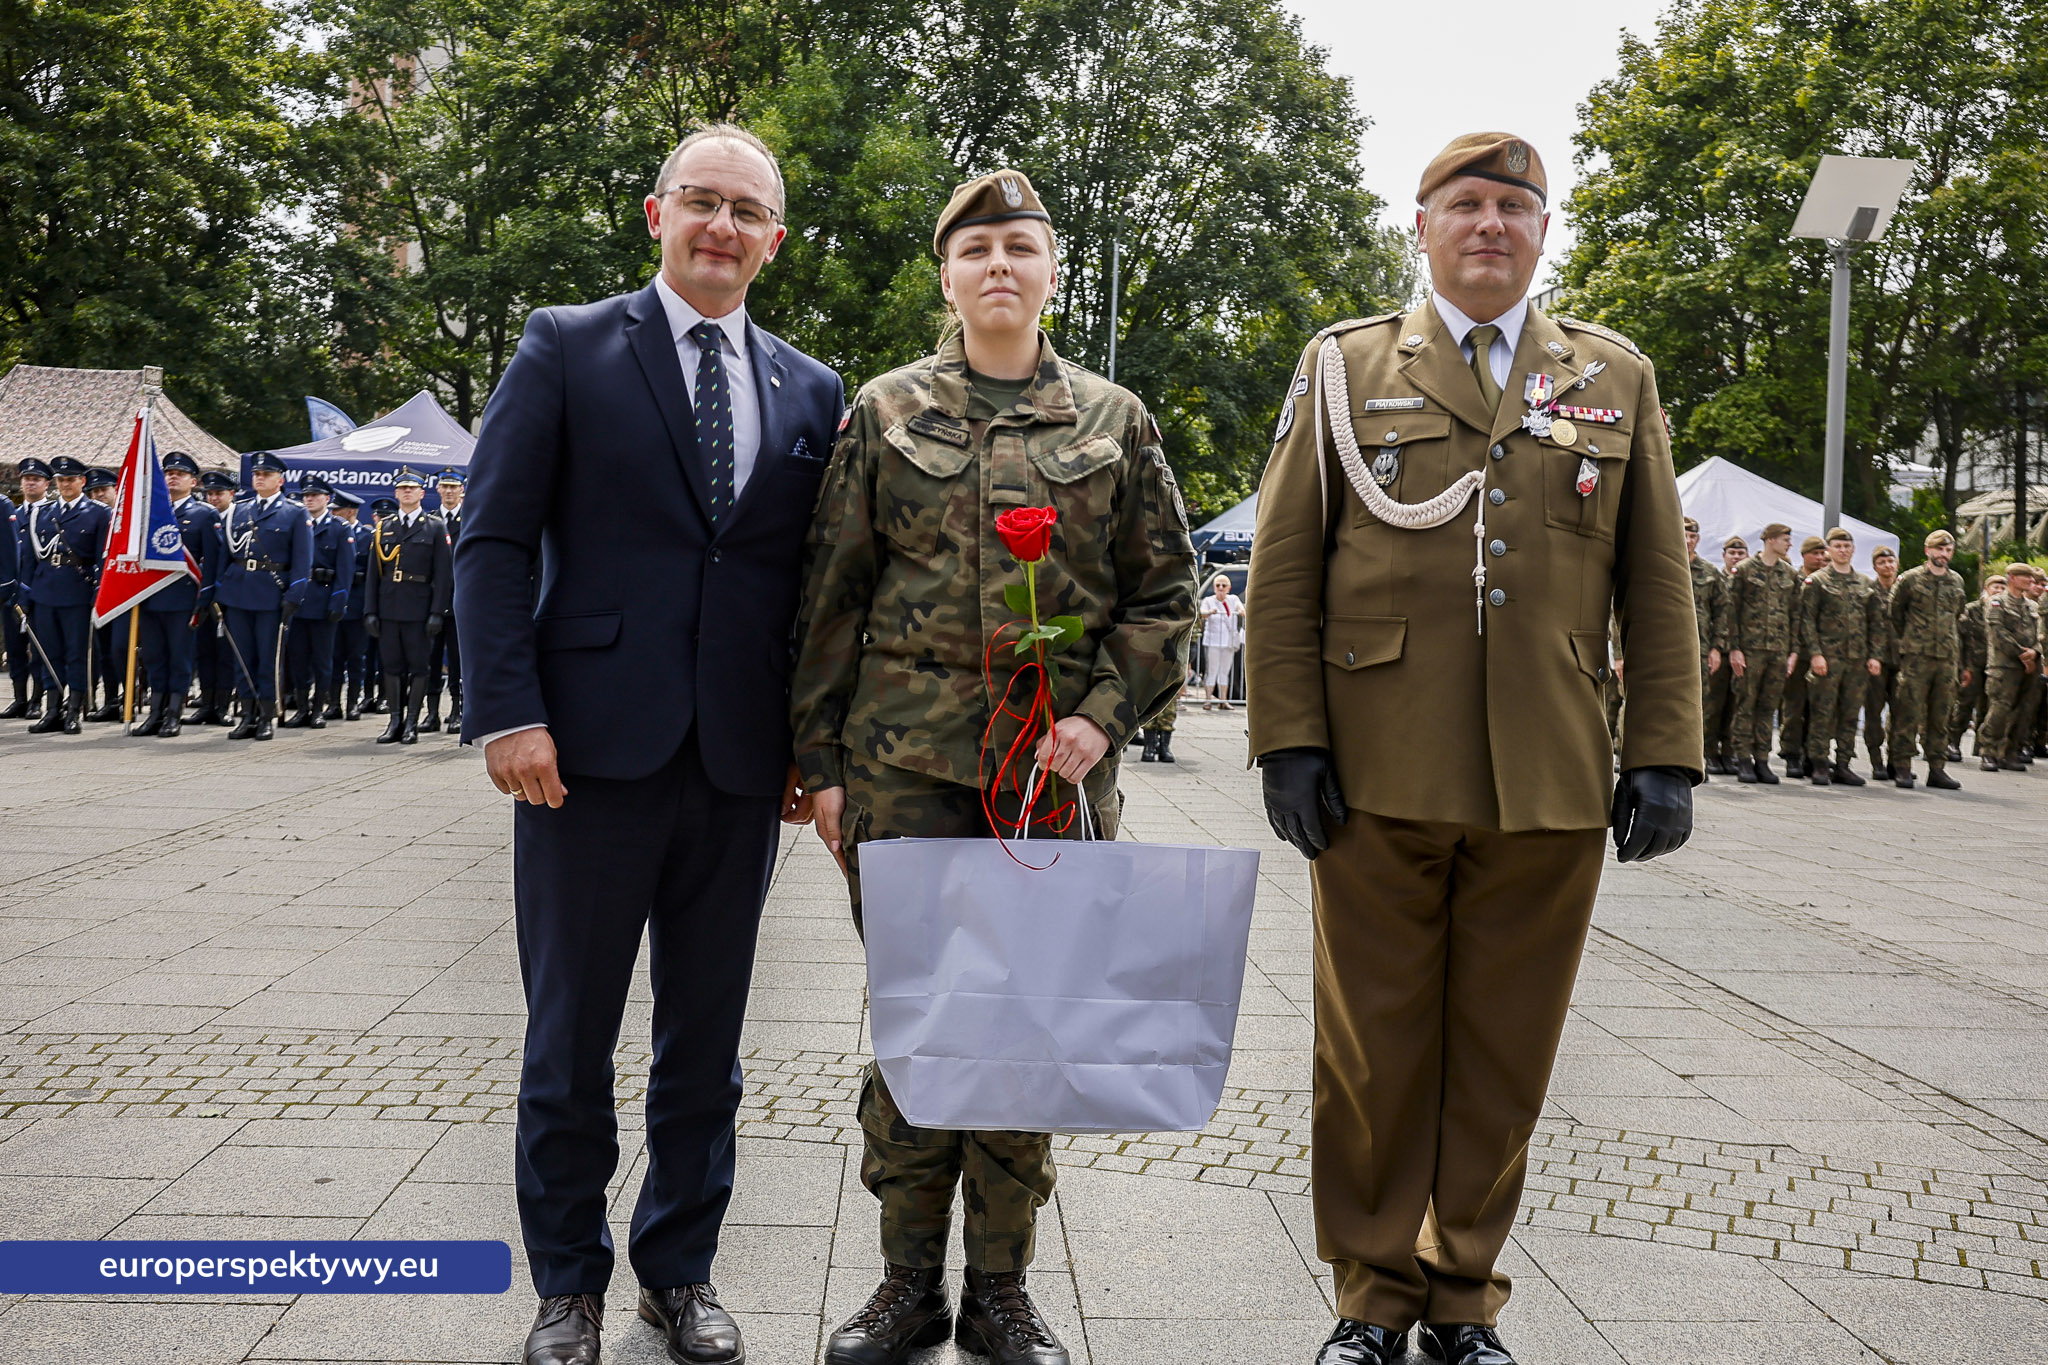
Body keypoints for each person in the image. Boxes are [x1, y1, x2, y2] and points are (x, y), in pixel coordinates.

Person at [1247, 133, 1698, 1365]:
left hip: (1547, 769)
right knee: (1371, 1051)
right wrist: (1287, 738)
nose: (1489, 223)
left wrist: (1662, 751)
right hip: (1375, 765)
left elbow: (1655, 579)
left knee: (1505, 1051)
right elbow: (1284, 565)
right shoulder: (1344, 366)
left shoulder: (1610, 374)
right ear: (1422, 224)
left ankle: (1461, 1297)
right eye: (1465, 204)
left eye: (1513, 205)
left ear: (1543, 231)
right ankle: (1369, 1297)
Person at [793, 168, 1196, 1365]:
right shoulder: (885, 411)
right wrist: (817, 760)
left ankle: (999, 1290)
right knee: (920, 1015)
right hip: (904, 768)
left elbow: (1164, 594)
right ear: (947, 277)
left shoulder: (1113, 421)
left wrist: (1102, 720)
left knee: (1026, 1021)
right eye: (976, 251)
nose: (999, 267)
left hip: (1050, 777)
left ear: (1051, 271)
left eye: (1020, 247)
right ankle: (905, 1282)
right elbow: (830, 593)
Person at [457, 124, 844, 1365]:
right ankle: (566, 1285)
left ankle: (678, 1274)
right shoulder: (566, 346)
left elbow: (809, 584)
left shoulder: (812, 390)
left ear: (773, 241)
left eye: (747, 212)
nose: (722, 226)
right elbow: (493, 540)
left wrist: (811, 741)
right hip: (580, 758)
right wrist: (508, 711)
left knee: (705, 1047)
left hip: (739, 765)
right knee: (570, 1038)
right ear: (656, 213)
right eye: (702, 202)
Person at [206, 451, 312, 741]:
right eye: (256, 474)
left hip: (271, 595)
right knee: (242, 658)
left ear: (280, 480)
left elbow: (302, 561)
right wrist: (218, 592)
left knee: (267, 659)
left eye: (266, 474)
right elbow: (225, 556)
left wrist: (295, 595)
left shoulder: (294, 512)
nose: (260, 478)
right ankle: (247, 715)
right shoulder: (239, 511)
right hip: (238, 593)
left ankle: (267, 715)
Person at [131, 451, 219, 737]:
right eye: (168, 473)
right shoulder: (149, 513)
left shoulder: (204, 514)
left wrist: (205, 598)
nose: (173, 478)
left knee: (179, 659)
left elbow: (213, 562)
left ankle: (173, 714)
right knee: (154, 658)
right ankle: (155, 713)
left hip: (184, 599)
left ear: (193, 482)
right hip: (151, 595)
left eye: (180, 474)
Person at [363, 468, 450, 745]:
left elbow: (443, 574)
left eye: (412, 488)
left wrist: (437, 612)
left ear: (422, 493)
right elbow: (374, 574)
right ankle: (395, 721)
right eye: (402, 488)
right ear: (396, 493)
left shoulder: (434, 527)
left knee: (419, 667)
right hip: (389, 606)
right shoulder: (384, 527)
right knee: (391, 666)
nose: (407, 492)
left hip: (419, 608)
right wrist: (370, 611)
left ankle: (412, 721)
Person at [25, 456, 110, 734]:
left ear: (82, 481)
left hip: (77, 590)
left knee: (76, 653)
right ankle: (52, 710)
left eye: (71, 479)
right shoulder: (43, 512)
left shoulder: (98, 513)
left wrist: (98, 593)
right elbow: (30, 558)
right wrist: (26, 596)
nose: (65, 484)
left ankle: (73, 710)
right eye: (61, 480)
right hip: (45, 590)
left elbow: (102, 558)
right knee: (50, 653)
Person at [1798, 527, 1885, 785]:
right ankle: (1819, 763)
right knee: (1822, 713)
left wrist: (1875, 655)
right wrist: (1815, 654)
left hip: (1857, 660)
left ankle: (1844, 763)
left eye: (1847, 546)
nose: (1843, 550)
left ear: (1853, 550)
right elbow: (1806, 620)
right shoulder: (1817, 582)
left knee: (1850, 714)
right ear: (1829, 550)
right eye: (1837, 546)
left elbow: (1876, 623)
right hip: (1828, 659)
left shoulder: (1865, 583)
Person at [1887, 529, 1967, 789]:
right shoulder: (1910, 579)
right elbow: (1895, 613)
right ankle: (1902, 765)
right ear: (1928, 550)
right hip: (1916, 658)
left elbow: (1957, 615)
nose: (1943, 554)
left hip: (1946, 659)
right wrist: (1910, 641)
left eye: (1948, 550)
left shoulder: (1956, 581)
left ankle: (1937, 768)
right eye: (1939, 549)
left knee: (1941, 715)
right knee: (1908, 712)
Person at [1723, 522, 1799, 784]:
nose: (1789, 544)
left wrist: (1793, 651)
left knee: (1768, 707)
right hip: (1749, 649)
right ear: (1770, 540)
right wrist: (1734, 648)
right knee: (1745, 704)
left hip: (1778, 650)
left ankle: (1762, 759)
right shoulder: (1744, 570)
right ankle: (1743, 758)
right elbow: (1731, 612)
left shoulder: (1789, 574)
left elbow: (1795, 615)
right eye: (1785, 539)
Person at [282, 475, 355, 729]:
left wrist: (338, 602)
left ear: (327, 499)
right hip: (299, 602)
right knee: (298, 658)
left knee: (322, 659)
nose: (309, 499)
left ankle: (318, 709)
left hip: (323, 602)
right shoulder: (296, 524)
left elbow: (345, 570)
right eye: (306, 495)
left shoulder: (339, 528)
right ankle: (302, 708)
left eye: (315, 495)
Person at [188, 470, 243, 726]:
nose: (213, 498)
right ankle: (206, 703)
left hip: (228, 596)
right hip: (201, 593)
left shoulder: (238, 519)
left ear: (231, 494)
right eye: (209, 494)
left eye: (218, 493)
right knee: (204, 650)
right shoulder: (201, 517)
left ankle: (223, 705)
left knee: (225, 653)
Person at [4, 458, 55, 719]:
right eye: (26, 479)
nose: (30, 483)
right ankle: (19, 699)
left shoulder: (52, 513)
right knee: (14, 648)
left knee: (38, 650)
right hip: (11, 592)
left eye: (36, 479)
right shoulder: (12, 513)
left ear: (47, 484)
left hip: (39, 592)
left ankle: (37, 700)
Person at [1977, 564, 2037, 772]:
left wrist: (2035, 652)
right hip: (2004, 666)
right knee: (1999, 709)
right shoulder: (1997, 603)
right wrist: (2022, 654)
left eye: (2032, 577)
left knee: (2023, 711)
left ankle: (2009, 752)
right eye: (2026, 577)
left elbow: (2041, 634)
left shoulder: (2032, 606)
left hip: (2030, 667)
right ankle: (1988, 751)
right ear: (2012, 577)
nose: (2031, 581)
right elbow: (1998, 634)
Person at [1776, 533, 1827, 776]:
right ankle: (1791, 753)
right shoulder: (1793, 579)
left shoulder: (1826, 581)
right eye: (1815, 553)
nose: (1820, 558)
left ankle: (1812, 753)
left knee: (1817, 708)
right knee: (1794, 707)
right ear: (1804, 556)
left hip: (1821, 653)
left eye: (1822, 553)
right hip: (1798, 652)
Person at [421, 468, 467, 732]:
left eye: (453, 486)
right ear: (438, 489)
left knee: (459, 660)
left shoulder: (470, 519)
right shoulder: (429, 521)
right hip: (433, 602)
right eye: (445, 486)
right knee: (432, 658)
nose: (449, 491)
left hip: (461, 600)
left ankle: (458, 711)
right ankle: (432, 713)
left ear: (462, 490)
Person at [1686, 520, 1727, 775]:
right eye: (1684, 535)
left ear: (1698, 539)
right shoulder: (1663, 565)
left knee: (1699, 704)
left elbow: (1722, 612)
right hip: (1666, 648)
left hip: (1700, 650)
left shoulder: (1710, 572)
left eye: (1692, 536)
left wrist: (1717, 648)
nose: (1688, 540)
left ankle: (1693, 759)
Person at [329, 489, 374, 720]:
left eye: (337, 510)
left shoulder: (367, 537)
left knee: (356, 657)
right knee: (334, 656)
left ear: (350, 512)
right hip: (335, 603)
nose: (333, 514)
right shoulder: (332, 533)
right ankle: (333, 703)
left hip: (357, 604)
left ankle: (353, 702)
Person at [1951, 574, 1995, 760]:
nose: (1998, 590)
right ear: (1986, 589)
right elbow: (1962, 638)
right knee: (1965, 704)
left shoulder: (2001, 610)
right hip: (1973, 664)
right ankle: (1953, 742)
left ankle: (1981, 746)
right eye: (1995, 587)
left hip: (1993, 665)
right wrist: (1964, 666)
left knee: (1987, 707)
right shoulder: (1972, 609)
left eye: (2002, 588)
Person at [1867, 545, 1899, 776]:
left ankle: (1896, 760)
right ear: (1875, 567)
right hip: (1875, 661)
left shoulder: (1906, 589)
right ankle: (1876, 760)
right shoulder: (1868, 591)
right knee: (1873, 712)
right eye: (1882, 563)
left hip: (1902, 659)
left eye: (1890, 561)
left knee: (1901, 712)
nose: (1887, 566)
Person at [1196, 571, 1244, 712]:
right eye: (1218, 585)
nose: (1221, 588)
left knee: (1224, 671)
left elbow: (1240, 607)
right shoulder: (1208, 600)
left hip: (1228, 642)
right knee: (1212, 671)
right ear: (1214, 587)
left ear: (1229, 588)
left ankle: (1223, 700)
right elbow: (1202, 613)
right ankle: (1208, 700)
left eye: (1224, 585)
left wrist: (1241, 610)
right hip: (1213, 642)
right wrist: (1211, 612)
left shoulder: (1233, 599)